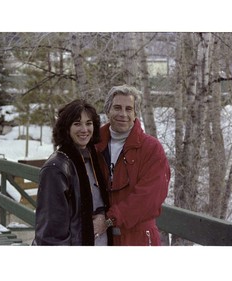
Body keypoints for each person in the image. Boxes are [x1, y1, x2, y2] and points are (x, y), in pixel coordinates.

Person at [95, 85, 170, 246]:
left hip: (138, 238)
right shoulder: (94, 145)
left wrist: (110, 219)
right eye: (117, 108)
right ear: (108, 110)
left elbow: (149, 198)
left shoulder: (151, 148)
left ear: (135, 114)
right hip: (102, 238)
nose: (123, 114)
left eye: (129, 109)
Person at [32, 99, 112, 246]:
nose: (84, 129)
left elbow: (96, 203)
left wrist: (103, 217)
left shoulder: (94, 158)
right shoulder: (56, 169)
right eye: (77, 124)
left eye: (88, 123)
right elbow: (50, 232)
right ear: (66, 128)